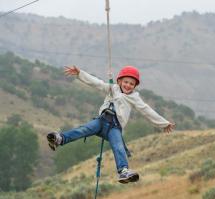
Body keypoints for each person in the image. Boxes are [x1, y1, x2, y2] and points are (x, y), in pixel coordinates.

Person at [47, 65, 175, 184]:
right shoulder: (111, 88)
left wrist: (163, 123)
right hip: (101, 121)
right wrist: (80, 73)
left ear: (135, 86)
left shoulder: (134, 98)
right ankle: (60, 139)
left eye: (132, 83)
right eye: (125, 82)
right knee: (83, 130)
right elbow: (96, 83)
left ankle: (123, 171)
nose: (128, 85)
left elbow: (147, 110)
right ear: (119, 81)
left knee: (118, 146)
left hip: (114, 127)